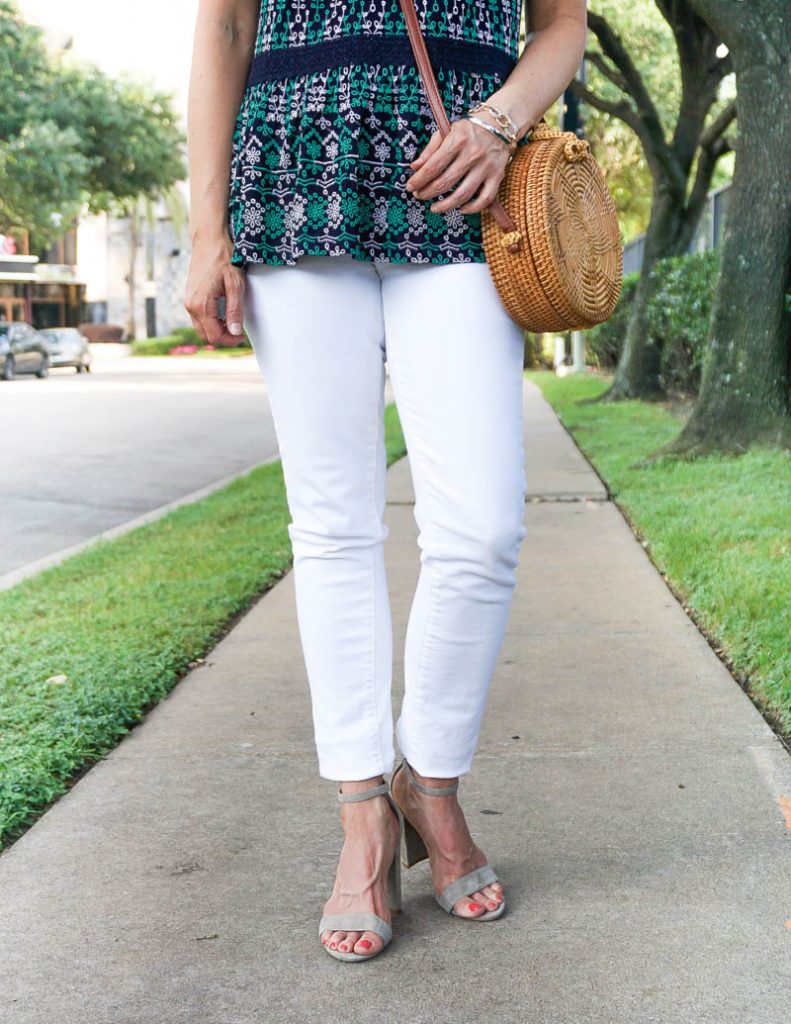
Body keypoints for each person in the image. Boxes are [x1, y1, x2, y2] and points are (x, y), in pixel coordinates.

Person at [185, 0, 587, 963]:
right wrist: (205, 225)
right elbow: (226, 27)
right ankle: (365, 811)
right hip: (293, 179)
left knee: (482, 527)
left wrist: (499, 123)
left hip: (466, 189)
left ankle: (430, 781)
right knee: (330, 527)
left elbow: (561, 21)